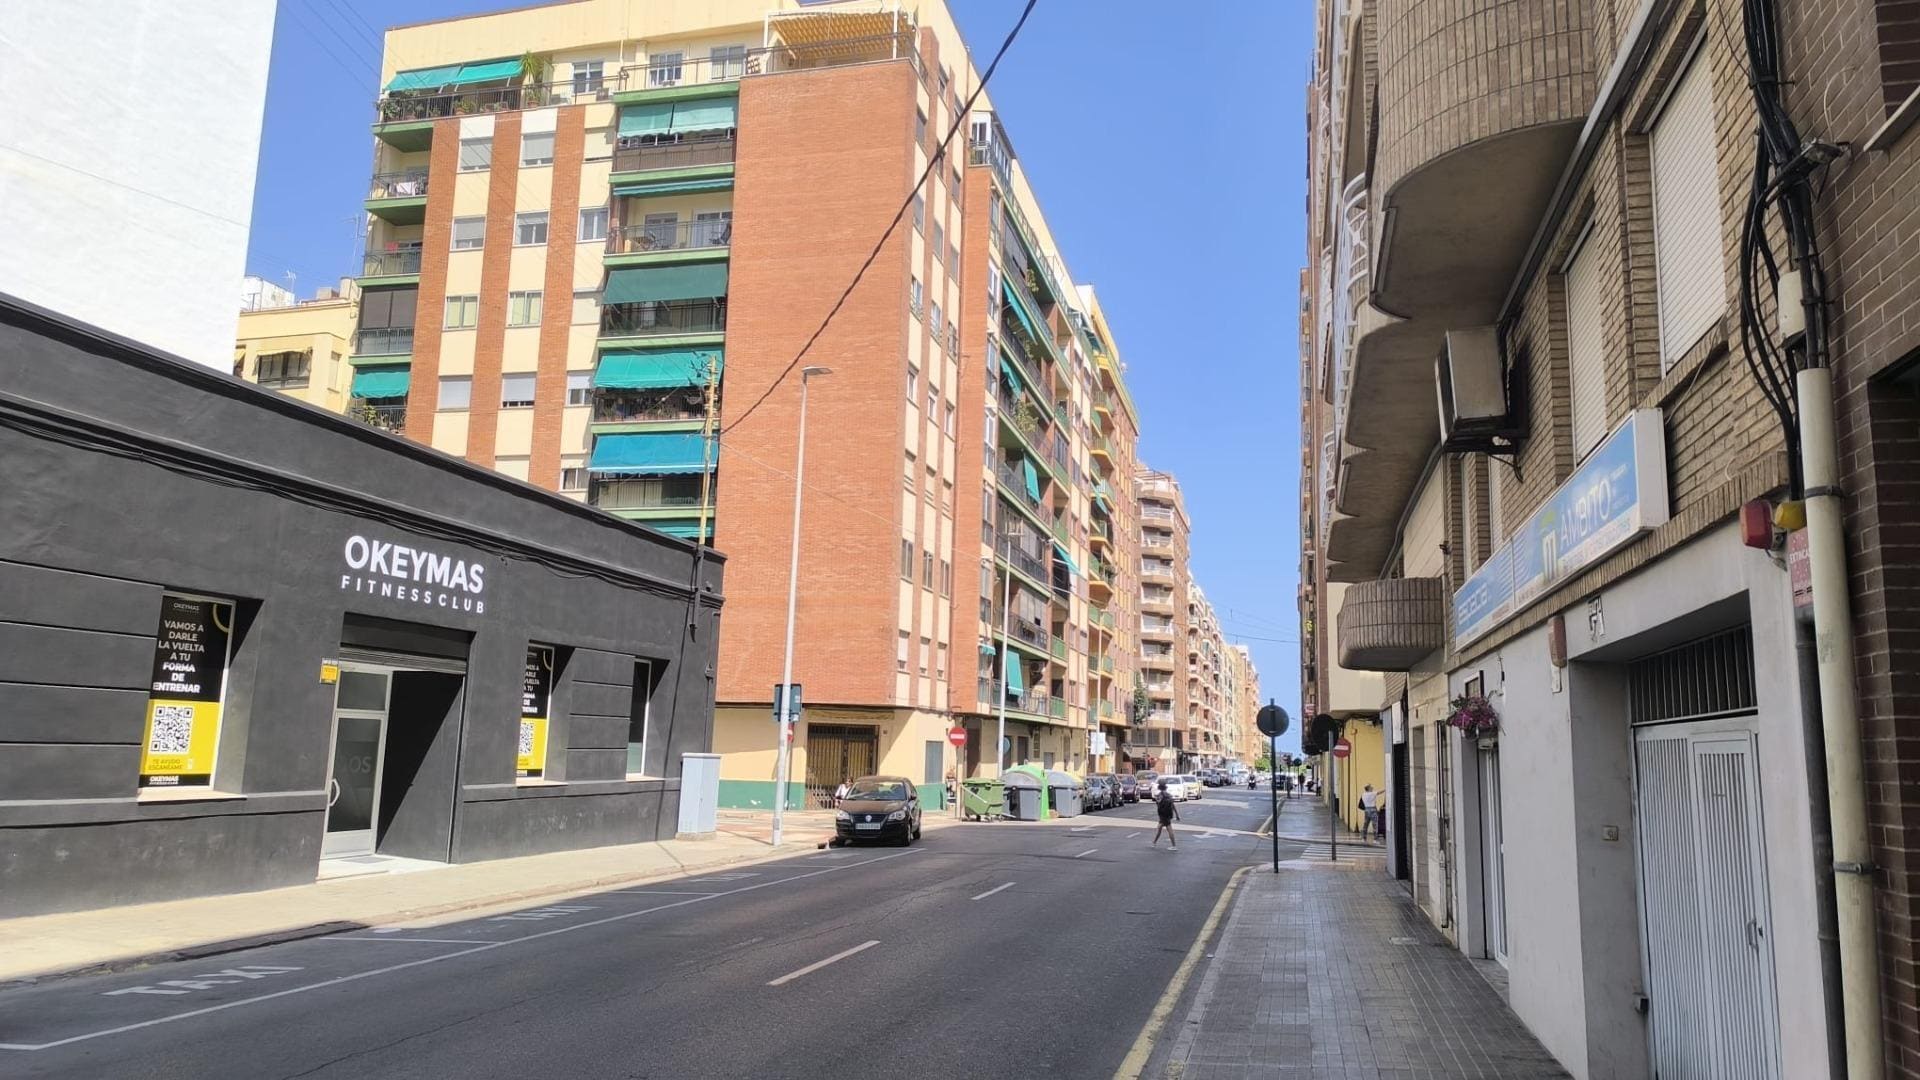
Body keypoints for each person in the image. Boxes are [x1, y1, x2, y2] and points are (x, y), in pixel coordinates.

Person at [1151, 779, 1180, 848]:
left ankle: (1174, 846)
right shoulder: (1169, 795)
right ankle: (1154, 842)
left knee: (1167, 829)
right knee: (1160, 828)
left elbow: (1158, 805)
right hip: (1168, 814)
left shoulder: (1159, 795)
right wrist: (1177, 815)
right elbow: (1173, 805)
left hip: (1162, 815)